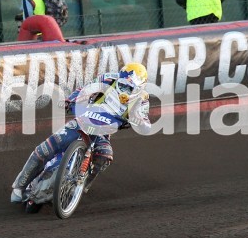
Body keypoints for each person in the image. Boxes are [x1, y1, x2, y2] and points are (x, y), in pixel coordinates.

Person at [10, 63, 151, 204]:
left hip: (102, 132)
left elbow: (146, 124)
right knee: (48, 148)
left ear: (140, 87)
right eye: (123, 83)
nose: (125, 89)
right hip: (83, 120)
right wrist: (70, 100)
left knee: (104, 155)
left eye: (130, 87)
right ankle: (20, 186)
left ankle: (78, 187)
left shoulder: (142, 99)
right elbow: (84, 90)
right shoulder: (107, 79)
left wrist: (139, 121)